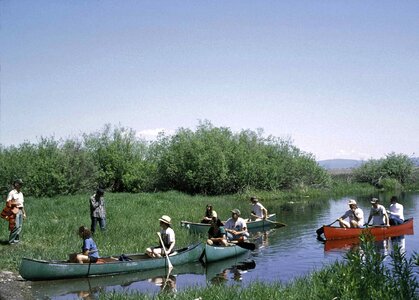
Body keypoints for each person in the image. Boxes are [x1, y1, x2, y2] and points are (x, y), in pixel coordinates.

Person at [6, 179, 26, 244]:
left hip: (20, 210)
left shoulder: (21, 193)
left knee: (20, 227)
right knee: (15, 226)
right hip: (14, 210)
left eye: (21, 184)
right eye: (19, 184)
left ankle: (16, 241)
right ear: (16, 184)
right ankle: (11, 241)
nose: (21, 185)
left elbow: (22, 204)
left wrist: (24, 213)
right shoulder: (12, 193)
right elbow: (8, 202)